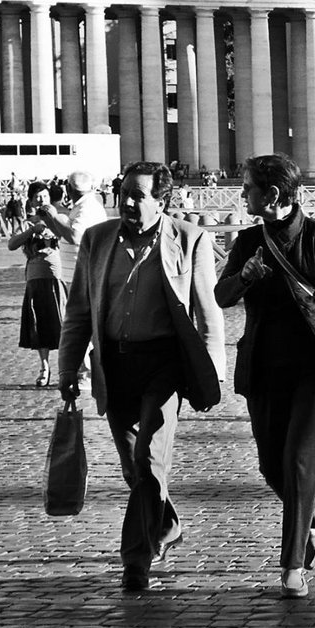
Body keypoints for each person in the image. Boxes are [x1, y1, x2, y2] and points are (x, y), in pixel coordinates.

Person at [59, 161, 227, 593]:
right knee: (136, 471)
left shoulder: (190, 240)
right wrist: (68, 367)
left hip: (164, 366)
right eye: (124, 193)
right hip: (114, 366)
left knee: (150, 460)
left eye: (138, 195)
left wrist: (212, 376)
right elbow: (79, 311)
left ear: (163, 200)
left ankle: (135, 560)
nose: (128, 202)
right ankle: (166, 523)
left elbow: (207, 312)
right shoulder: (97, 240)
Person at [214, 153, 315, 600]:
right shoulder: (247, 241)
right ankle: (313, 511)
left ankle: (292, 565)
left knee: (299, 463)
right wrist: (244, 276)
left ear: (273, 194)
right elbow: (221, 296)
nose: (243, 195)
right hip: (264, 368)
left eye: (248, 188)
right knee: (269, 465)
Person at [8, 181, 64, 387]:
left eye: (45, 197)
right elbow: (11, 244)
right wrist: (33, 231)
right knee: (40, 323)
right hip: (35, 277)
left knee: (63, 322)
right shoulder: (27, 223)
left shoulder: (59, 219)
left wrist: (54, 225)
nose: (42, 200)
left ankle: (69, 368)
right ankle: (44, 367)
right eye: (38, 197)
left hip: (58, 276)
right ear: (31, 200)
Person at [37, 171, 108, 292]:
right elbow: (63, 235)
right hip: (76, 275)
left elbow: (74, 237)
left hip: (84, 275)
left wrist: (55, 217)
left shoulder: (87, 207)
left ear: (68, 188)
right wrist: (48, 220)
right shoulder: (81, 205)